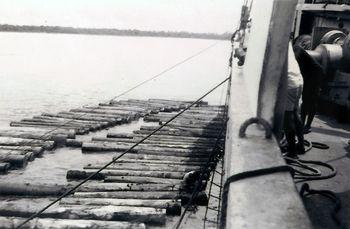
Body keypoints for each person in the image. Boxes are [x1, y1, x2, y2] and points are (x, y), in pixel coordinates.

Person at [293, 45, 325, 133]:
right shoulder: (292, 52)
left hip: (315, 74)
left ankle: (306, 125)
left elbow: (297, 67)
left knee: (310, 100)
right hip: (308, 75)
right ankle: (302, 124)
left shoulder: (296, 49)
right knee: (305, 100)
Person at [283, 42, 305, 158]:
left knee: (287, 118)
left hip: (290, 82)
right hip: (298, 79)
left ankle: (292, 152)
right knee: (295, 113)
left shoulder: (276, 39)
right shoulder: (287, 41)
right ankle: (301, 146)